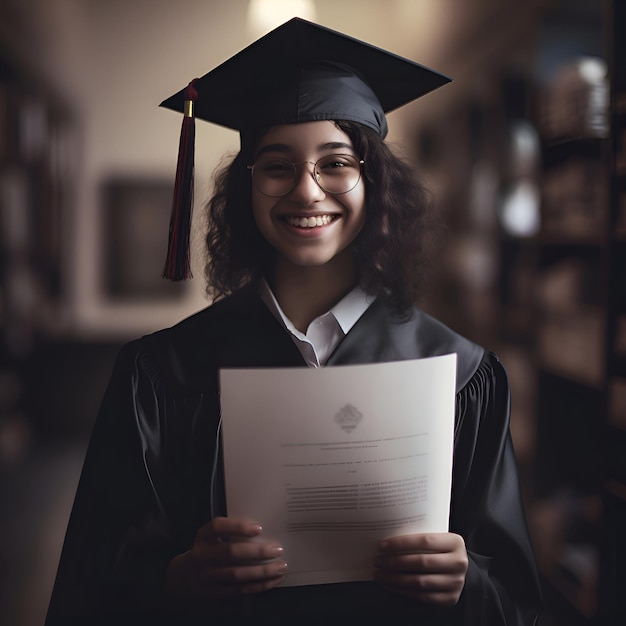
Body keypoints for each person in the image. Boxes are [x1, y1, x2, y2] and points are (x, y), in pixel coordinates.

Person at [46, 18, 543, 626]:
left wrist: (468, 584)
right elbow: (90, 590)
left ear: (376, 183)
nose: (307, 193)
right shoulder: (162, 374)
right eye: (277, 165)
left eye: (337, 163)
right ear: (245, 186)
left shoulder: (461, 374)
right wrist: (175, 580)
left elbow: (520, 605)